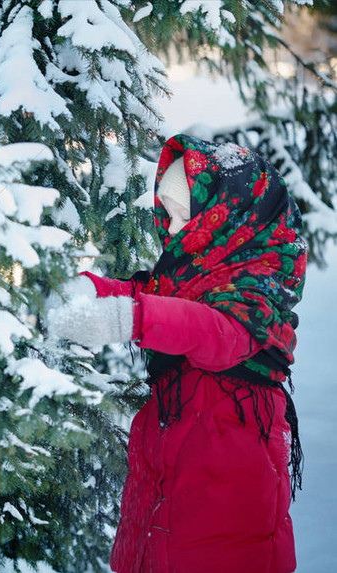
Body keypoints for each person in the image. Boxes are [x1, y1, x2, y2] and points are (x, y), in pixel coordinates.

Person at [48, 133, 308, 573]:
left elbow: (215, 331)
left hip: (222, 528)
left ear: (227, 219)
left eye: (182, 216)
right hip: (160, 518)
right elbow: (144, 293)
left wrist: (126, 319)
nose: (169, 230)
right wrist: (83, 289)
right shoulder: (188, 281)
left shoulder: (257, 294)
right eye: (165, 215)